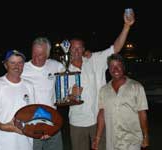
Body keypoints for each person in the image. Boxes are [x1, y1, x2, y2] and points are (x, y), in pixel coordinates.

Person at [0, 37, 64, 150]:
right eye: (34, 54)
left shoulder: (54, 66)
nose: (36, 58)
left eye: (40, 55)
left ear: (47, 55)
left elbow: (70, 74)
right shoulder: (15, 74)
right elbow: (3, 85)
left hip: (46, 123)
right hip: (17, 135)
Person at [67, 10, 135, 150]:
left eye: (80, 48)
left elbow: (115, 48)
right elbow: (61, 98)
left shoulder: (94, 60)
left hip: (99, 119)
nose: (77, 51)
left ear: (84, 49)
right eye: (73, 48)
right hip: (77, 122)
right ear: (69, 50)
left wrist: (126, 26)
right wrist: (71, 96)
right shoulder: (63, 69)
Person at [92, 54, 149, 150]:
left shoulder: (137, 87)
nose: (115, 69)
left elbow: (142, 113)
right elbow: (102, 114)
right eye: (112, 66)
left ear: (123, 67)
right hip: (112, 142)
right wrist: (97, 138)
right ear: (108, 69)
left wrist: (145, 136)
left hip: (132, 141)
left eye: (118, 66)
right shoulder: (104, 90)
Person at [0, 49, 35, 150]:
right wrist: (1, 126)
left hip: (26, 144)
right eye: (12, 63)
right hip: (4, 145)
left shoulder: (29, 85)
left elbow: (33, 113)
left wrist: (44, 130)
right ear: (6, 65)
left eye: (20, 63)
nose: (17, 66)